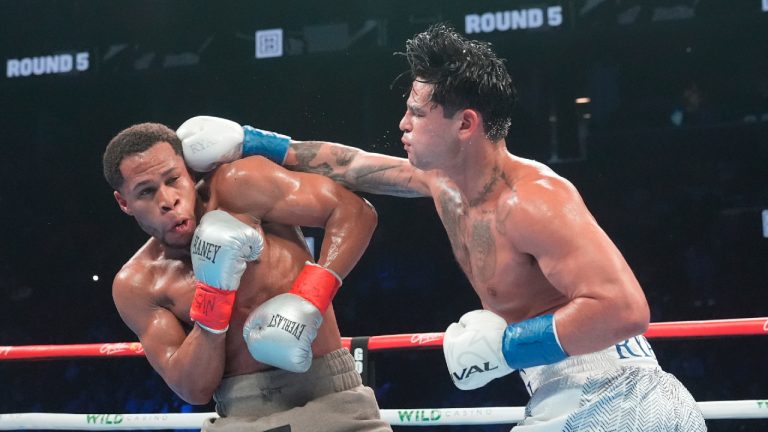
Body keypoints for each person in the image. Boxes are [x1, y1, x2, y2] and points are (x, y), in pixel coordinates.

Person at [177, 23, 707, 431]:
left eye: (416, 114)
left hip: (621, 396)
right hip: (562, 395)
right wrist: (252, 141)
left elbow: (626, 310)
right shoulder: (443, 183)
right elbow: (354, 165)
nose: (403, 125)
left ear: (465, 123)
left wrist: (506, 349)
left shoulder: (534, 200)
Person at [102, 122, 392, 432]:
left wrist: (310, 297)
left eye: (173, 179)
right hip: (240, 417)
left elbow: (355, 212)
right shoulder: (138, 283)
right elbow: (193, 389)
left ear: (189, 173)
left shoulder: (239, 186)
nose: (168, 199)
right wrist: (213, 298)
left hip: (330, 396)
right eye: (146, 191)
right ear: (124, 203)